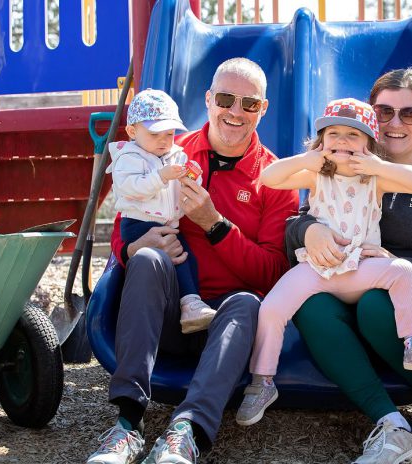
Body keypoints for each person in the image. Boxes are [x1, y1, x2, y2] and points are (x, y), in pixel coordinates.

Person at [86, 57, 299, 464]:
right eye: (225, 98)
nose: (235, 112)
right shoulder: (168, 153)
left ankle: (186, 431)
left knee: (247, 302)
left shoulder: (274, 178)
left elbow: (274, 272)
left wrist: (215, 225)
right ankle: (127, 424)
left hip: (228, 328)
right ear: (208, 99)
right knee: (148, 258)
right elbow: (124, 222)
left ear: (263, 109)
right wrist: (131, 247)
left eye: (249, 104)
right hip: (166, 314)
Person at [285, 69, 412, 464]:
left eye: (409, 114)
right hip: (349, 293)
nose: (395, 124)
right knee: (310, 305)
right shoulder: (341, 165)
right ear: (368, 117)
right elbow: (296, 223)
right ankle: (393, 424)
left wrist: (403, 265)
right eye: (384, 112)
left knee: (378, 304)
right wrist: (307, 230)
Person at [236, 98, 412, 427]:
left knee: (403, 270)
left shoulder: (374, 179)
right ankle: (262, 381)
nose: (341, 140)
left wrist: (378, 166)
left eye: (353, 134)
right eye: (332, 133)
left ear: (369, 142)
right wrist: (305, 160)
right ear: (321, 142)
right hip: (317, 270)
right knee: (272, 308)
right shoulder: (317, 175)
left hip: (359, 270)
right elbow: (268, 178)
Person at [107, 88, 214, 334]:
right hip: (138, 225)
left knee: (186, 258)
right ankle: (162, 312)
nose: (165, 141)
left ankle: (190, 304)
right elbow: (133, 188)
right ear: (133, 132)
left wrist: (191, 178)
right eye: (156, 134)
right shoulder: (128, 158)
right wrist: (161, 176)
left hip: (168, 224)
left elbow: (182, 186)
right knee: (154, 263)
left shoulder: (173, 154)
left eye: (170, 133)